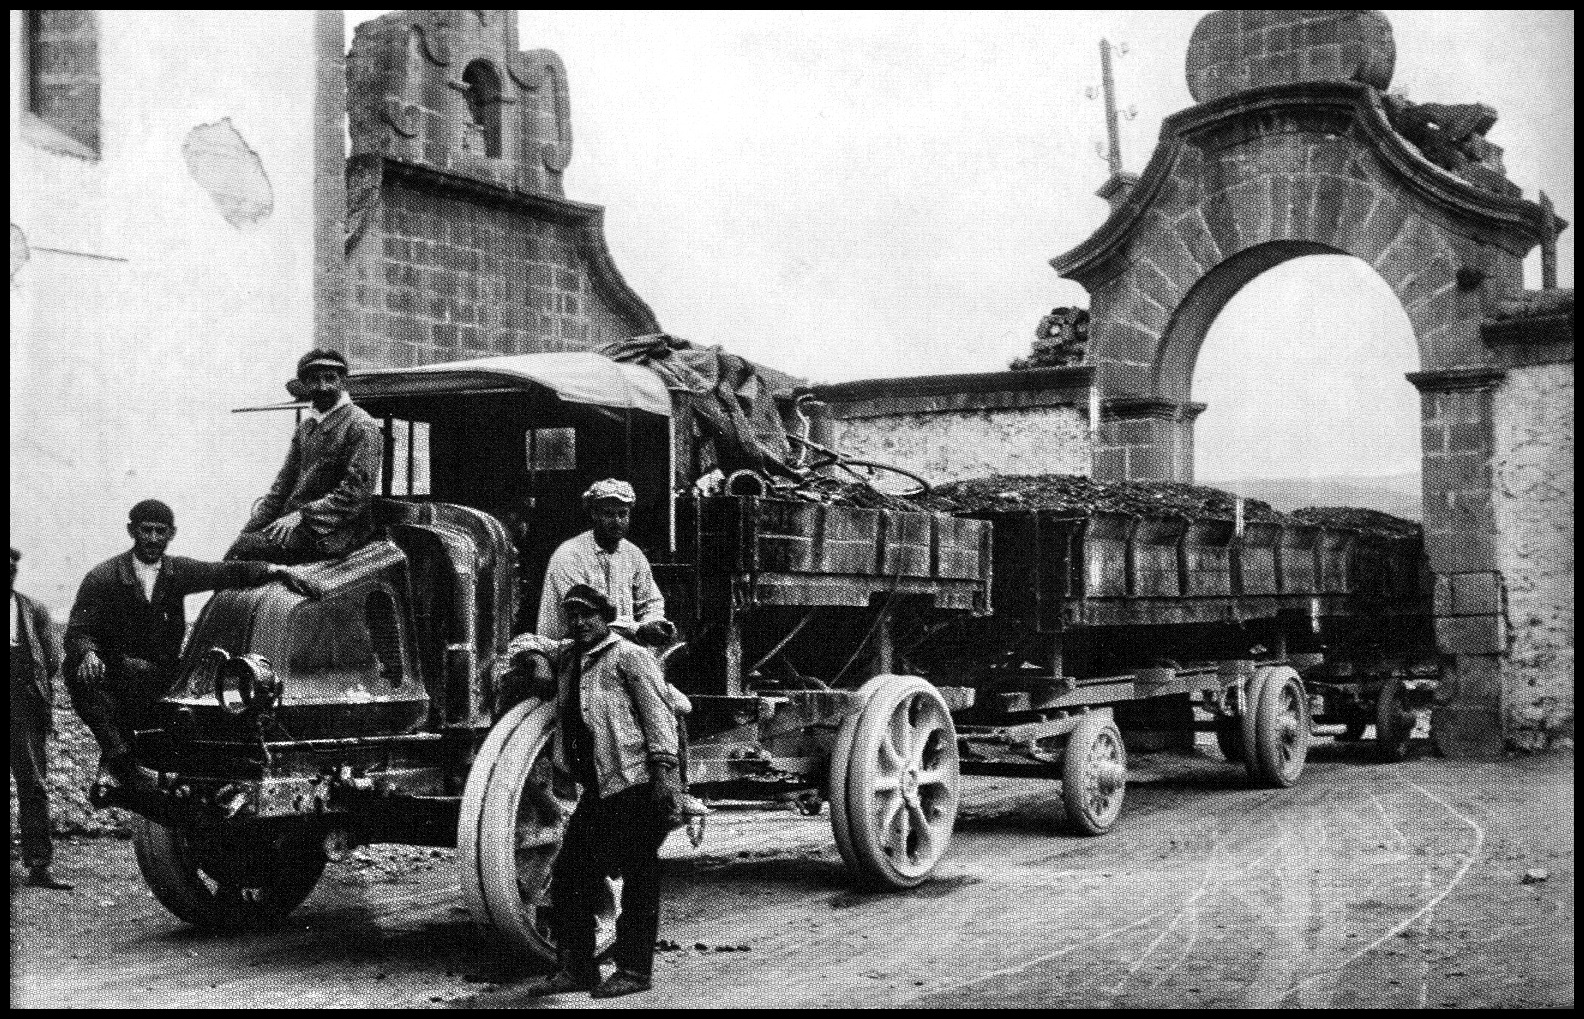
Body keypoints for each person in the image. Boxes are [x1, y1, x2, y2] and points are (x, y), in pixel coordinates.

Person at [65, 500, 316, 791]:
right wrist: (88, 653)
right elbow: (78, 630)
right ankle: (121, 763)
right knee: (77, 670)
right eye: (146, 531)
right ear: (132, 531)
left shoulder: (177, 572)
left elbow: (224, 572)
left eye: (161, 532)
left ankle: (200, 771)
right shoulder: (103, 577)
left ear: (172, 534)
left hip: (161, 676)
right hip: (121, 674)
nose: (154, 539)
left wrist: (275, 570)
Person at [522, 585, 686, 1000]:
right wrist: (539, 661)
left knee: (639, 874)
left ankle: (634, 970)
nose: (579, 622)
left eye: (588, 615)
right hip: (597, 786)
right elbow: (524, 641)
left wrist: (666, 774)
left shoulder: (629, 656)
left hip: (634, 780)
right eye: (572, 615)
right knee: (571, 872)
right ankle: (578, 969)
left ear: (606, 616)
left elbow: (659, 715)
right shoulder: (569, 656)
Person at [227, 348, 381, 564]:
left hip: (337, 531)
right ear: (305, 384)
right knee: (237, 548)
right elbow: (283, 485)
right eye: (315, 380)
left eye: (330, 378)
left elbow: (355, 493)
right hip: (299, 523)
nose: (323, 386)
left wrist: (302, 515)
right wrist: (249, 529)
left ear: (342, 381)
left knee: (248, 552)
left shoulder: (360, 425)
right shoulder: (307, 427)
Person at [535, 478, 670, 644]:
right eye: (609, 514)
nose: (617, 522)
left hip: (615, 649)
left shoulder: (633, 554)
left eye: (623, 514)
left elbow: (651, 602)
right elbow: (586, 617)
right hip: (569, 650)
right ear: (594, 514)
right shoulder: (569, 555)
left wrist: (654, 622)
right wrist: (639, 630)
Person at [10, 547, 71, 890]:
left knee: (33, 786)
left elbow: (51, 659)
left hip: (22, 707)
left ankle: (38, 865)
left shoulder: (32, 610)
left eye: (11, 568)